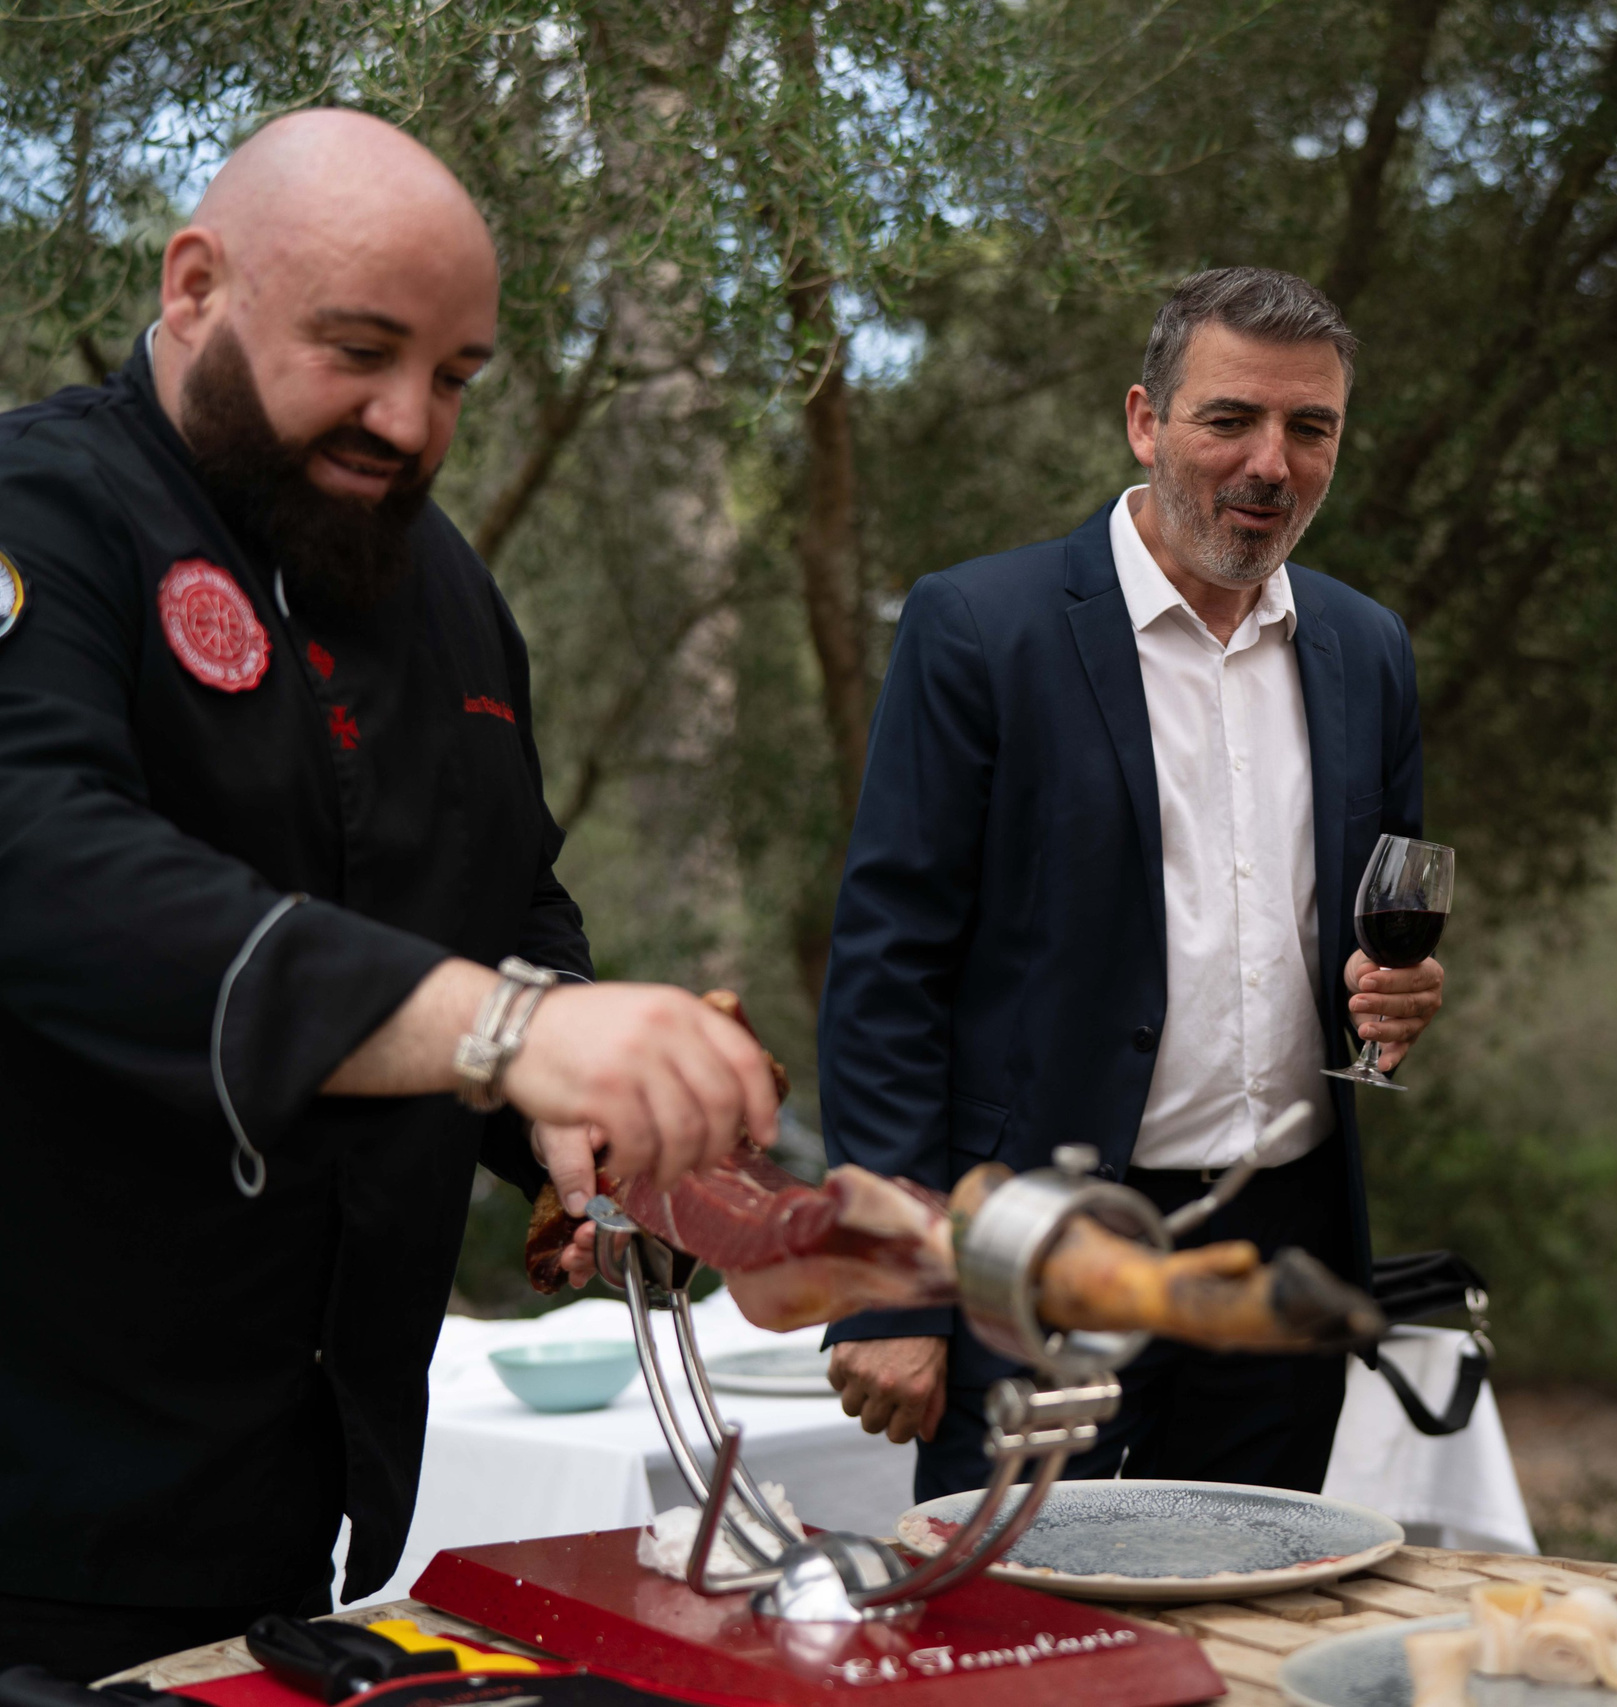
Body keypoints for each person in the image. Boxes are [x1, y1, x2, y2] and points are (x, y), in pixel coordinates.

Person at [0, 112, 780, 1678]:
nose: (408, 420)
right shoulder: (44, 513)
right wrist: (510, 1033)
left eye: (457, 378)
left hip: (305, 1503)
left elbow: (506, 908)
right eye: (360, 351)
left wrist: (576, 1123)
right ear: (198, 282)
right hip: (37, 1496)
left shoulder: (448, 595)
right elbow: (43, 863)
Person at [819, 267, 1444, 1497]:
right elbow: (886, 972)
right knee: (1018, 1651)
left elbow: (1378, 933)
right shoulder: (979, 628)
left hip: (1277, 1251)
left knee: (1242, 1633)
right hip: (1036, 1246)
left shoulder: (1365, 650)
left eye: (1309, 429)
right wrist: (891, 1286)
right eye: (1230, 419)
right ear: (1144, 422)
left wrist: (1394, 996)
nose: (1271, 462)